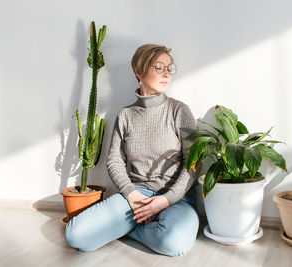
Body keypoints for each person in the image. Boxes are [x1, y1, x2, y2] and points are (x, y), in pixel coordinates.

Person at [65, 44, 199, 257]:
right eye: (158, 67)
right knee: (76, 235)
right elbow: (114, 160)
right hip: (137, 195)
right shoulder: (125, 115)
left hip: (177, 198)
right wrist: (132, 195)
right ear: (139, 72)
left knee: (174, 243)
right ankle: (137, 223)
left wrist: (165, 200)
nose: (166, 73)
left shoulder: (179, 110)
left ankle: (131, 228)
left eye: (169, 68)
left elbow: (193, 161)